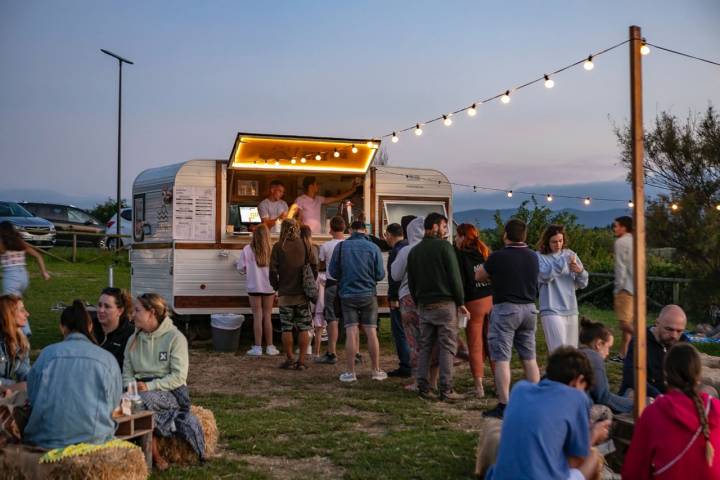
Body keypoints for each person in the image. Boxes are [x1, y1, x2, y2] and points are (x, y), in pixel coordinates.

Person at [486, 346, 610, 480]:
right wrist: (593, 435)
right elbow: (576, 461)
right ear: (578, 380)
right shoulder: (577, 398)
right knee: (593, 456)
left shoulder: (519, 389)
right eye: (583, 388)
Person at [23, 301, 121, 449]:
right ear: (90, 326)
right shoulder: (107, 359)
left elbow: (32, 395)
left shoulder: (47, 354)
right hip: (94, 440)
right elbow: (113, 403)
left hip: (46, 439)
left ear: (62, 328)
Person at [123, 293, 205, 469]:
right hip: (138, 389)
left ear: (151, 312)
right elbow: (127, 373)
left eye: (137, 310)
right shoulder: (133, 340)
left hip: (170, 392)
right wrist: (131, 387)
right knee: (120, 401)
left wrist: (149, 386)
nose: (132, 314)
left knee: (142, 402)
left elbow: (178, 377)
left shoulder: (175, 338)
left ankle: (153, 455)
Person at [622, 343, 720, 479]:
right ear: (698, 376)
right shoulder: (716, 407)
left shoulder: (654, 413)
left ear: (665, 374)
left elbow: (633, 472)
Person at [476, 219, 540, 418]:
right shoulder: (533, 256)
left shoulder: (498, 257)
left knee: (502, 358)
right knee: (529, 357)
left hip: (506, 309)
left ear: (505, 235)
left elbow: (479, 276)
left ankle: (504, 404)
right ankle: (535, 401)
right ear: (524, 236)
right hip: (530, 309)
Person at [407, 213, 469, 402]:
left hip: (424, 305)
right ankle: (446, 389)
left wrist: (418, 302)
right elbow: (454, 277)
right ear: (434, 226)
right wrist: (461, 302)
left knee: (425, 346)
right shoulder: (444, 247)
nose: (445, 231)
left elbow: (412, 282)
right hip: (445, 304)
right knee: (447, 347)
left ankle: (423, 387)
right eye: (443, 226)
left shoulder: (414, 251)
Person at [329, 220, 386, 382]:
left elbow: (333, 272)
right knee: (371, 332)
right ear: (364, 230)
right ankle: (375, 370)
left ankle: (350, 372)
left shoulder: (340, 247)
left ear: (351, 230)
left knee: (351, 332)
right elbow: (380, 275)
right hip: (368, 294)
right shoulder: (374, 248)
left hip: (347, 295)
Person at [269, 219, 318, 370]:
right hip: (302, 294)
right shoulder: (305, 244)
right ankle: (301, 361)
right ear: (297, 228)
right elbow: (315, 266)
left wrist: (276, 286)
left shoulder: (278, 246)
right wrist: (310, 282)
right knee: (304, 327)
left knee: (287, 328)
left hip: (285, 295)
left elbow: (272, 271)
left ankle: (290, 358)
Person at [454, 223, 493, 398]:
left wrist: (459, 303)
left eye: (457, 236)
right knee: (493, 342)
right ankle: (499, 382)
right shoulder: (484, 251)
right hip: (491, 299)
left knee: (475, 344)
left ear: (462, 236)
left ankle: (479, 387)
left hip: (473, 301)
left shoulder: (460, 255)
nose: (455, 239)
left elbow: (460, 281)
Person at [536, 224, 589, 352]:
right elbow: (544, 276)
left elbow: (583, 283)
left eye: (561, 241)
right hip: (550, 309)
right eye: (554, 242)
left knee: (571, 352)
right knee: (558, 351)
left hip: (571, 308)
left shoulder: (570, 254)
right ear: (546, 242)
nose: (558, 244)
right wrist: (562, 262)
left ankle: (570, 373)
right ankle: (556, 372)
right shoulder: (539, 257)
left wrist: (580, 271)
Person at [619, 304, 690, 398]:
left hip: (671, 393)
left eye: (679, 331)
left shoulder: (683, 343)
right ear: (657, 323)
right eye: (669, 329)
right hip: (646, 392)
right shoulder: (640, 341)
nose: (674, 335)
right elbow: (631, 377)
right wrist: (658, 396)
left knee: (708, 391)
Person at [391, 216, 427, 391]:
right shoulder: (434, 248)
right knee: (431, 339)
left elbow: (395, 275)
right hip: (431, 298)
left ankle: (419, 380)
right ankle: (434, 379)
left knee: (414, 340)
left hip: (408, 298)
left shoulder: (406, 250)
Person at [0, 221, 51, 336]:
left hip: (11, 278)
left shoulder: (1, 244)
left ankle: (22, 333)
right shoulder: (19, 243)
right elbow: (38, 255)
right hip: (23, 277)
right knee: (17, 305)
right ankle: (24, 331)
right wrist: (44, 272)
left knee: (9, 308)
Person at [236, 224, 279, 356]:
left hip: (254, 287)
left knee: (257, 317)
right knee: (268, 316)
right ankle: (270, 347)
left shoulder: (247, 249)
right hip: (269, 287)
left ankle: (258, 347)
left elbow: (241, 269)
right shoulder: (272, 249)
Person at [578, 317, 633, 414]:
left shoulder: (575, 353)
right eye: (608, 347)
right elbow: (604, 397)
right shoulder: (594, 358)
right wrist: (634, 404)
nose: (608, 353)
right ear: (599, 344)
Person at [314, 216, 346, 365]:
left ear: (330, 229)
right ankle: (356, 352)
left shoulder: (325, 246)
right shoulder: (348, 244)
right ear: (344, 228)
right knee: (351, 319)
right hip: (347, 284)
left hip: (331, 283)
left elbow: (321, 266)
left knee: (332, 318)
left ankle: (332, 352)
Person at [289, 176, 362, 234]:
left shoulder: (319, 199)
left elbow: (335, 198)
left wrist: (352, 190)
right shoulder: (300, 200)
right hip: (305, 235)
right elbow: (290, 217)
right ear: (311, 186)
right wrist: (299, 224)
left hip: (318, 234)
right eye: (316, 184)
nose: (318, 186)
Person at [385, 222, 412, 378]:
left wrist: (393, 297)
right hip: (412, 295)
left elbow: (394, 277)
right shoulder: (409, 246)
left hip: (400, 296)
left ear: (389, 235)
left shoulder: (397, 251)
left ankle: (405, 365)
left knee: (400, 331)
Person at [93, 287, 135, 368]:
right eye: (99, 305)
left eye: (107, 306)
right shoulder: (88, 329)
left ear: (120, 311)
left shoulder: (131, 334)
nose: (101, 310)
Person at [612, 215, 634, 361]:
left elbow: (620, 267)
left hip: (625, 287)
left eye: (616, 225)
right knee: (629, 322)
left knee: (624, 323)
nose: (614, 228)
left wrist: (617, 288)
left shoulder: (621, 242)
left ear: (624, 227)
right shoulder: (635, 241)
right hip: (636, 287)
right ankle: (623, 354)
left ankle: (645, 339)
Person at [0, 295, 30, 390]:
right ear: (9, 314)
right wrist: (13, 386)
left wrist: (36, 380)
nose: (27, 314)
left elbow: (24, 372)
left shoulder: (21, 341)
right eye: (22, 310)